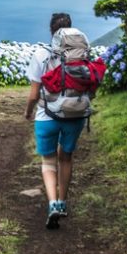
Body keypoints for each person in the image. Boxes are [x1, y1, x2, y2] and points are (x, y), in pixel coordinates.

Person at [24, 12, 87, 229]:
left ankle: (52, 204)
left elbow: (33, 95)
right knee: (66, 158)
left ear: (52, 30)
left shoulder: (42, 54)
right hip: (75, 115)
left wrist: (28, 112)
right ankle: (63, 202)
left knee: (49, 161)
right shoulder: (82, 54)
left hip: (46, 116)